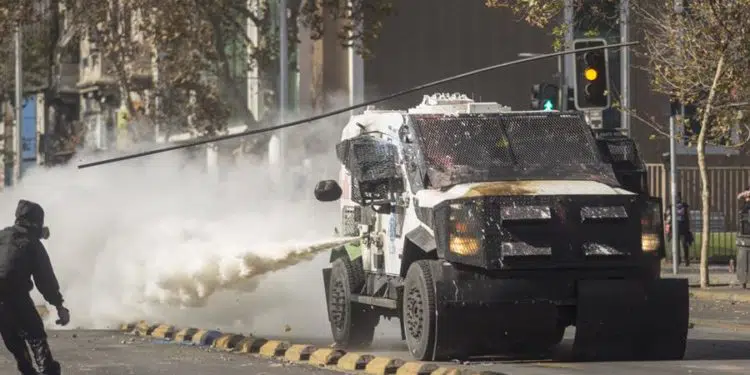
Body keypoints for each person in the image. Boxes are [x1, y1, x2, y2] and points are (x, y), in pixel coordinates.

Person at [0, 200, 70, 374]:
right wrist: (59, 305)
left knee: (13, 339)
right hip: (17, 297)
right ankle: (47, 370)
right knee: (36, 336)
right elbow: (45, 279)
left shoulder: (2, 236)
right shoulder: (32, 244)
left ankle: (27, 370)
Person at [664, 192, 694, 266]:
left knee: (684, 244)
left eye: (678, 197)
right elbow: (666, 217)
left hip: (683, 228)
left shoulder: (684, 206)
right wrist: (668, 225)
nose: (677, 199)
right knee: (676, 244)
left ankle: (686, 259)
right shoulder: (671, 206)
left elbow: (688, 216)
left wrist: (689, 227)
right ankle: (677, 260)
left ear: (681, 198)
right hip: (674, 227)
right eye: (676, 197)